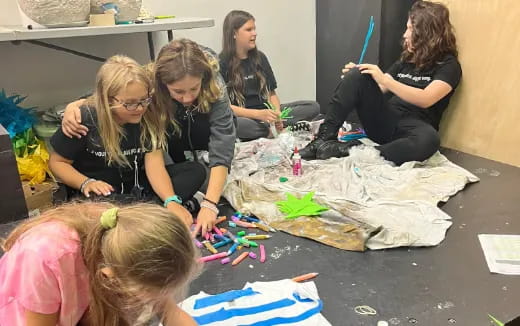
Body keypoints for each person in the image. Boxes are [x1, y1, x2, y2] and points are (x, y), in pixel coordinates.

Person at [60, 39, 236, 236]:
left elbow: (222, 144)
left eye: (193, 89)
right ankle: (152, 211)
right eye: (178, 91)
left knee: (194, 172)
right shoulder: (145, 81)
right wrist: (74, 106)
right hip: (115, 182)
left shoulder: (212, 88)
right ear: (159, 83)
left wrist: (209, 204)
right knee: (104, 201)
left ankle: (147, 212)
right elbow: (106, 93)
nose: (187, 98)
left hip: (146, 168)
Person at [49, 55, 205, 229]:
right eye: (130, 104)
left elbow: (155, 165)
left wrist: (171, 200)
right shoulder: (84, 119)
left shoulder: (148, 115)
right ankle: (149, 212)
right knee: (100, 204)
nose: (139, 108)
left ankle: (141, 214)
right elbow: (57, 163)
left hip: (137, 187)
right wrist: (86, 182)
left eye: (144, 100)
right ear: (108, 99)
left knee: (195, 171)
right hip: (101, 191)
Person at [300, 1, 462, 165]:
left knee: (430, 140)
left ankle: (349, 150)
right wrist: (357, 80)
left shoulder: (449, 65)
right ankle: (322, 139)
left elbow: (427, 98)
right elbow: (380, 88)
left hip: (414, 129)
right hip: (386, 121)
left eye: (411, 29)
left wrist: (384, 78)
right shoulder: (406, 61)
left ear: (427, 33)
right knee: (358, 75)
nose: (405, 34)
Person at [0, 202, 200, 326]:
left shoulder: (126, 236)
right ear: (109, 277)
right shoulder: (44, 258)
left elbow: (170, 312)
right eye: (145, 293)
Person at [219, 10, 320, 141]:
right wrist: (259, 115)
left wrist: (277, 114)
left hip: (267, 113)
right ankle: (272, 131)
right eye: (248, 29)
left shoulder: (260, 57)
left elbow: (272, 93)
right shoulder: (221, 63)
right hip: (245, 117)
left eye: (254, 29)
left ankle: (272, 129)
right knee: (232, 123)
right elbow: (225, 107)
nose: (254, 33)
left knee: (313, 107)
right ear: (234, 33)